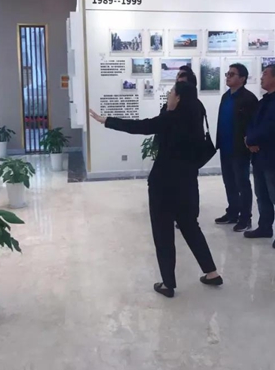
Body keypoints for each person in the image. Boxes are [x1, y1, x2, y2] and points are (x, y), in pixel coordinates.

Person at [89, 82, 222, 298]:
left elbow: (140, 126)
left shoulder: (170, 119)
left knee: (163, 232)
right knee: (190, 226)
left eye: (171, 93)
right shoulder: (196, 116)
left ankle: (168, 284)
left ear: (178, 98)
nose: (168, 96)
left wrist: (106, 120)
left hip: (164, 184)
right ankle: (212, 272)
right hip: (187, 183)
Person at [244, 64, 275, 249]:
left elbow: (274, 127)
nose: (261, 77)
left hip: (273, 156)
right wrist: (249, 140)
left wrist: (252, 139)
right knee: (262, 195)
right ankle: (264, 227)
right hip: (258, 155)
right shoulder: (264, 101)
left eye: (265, 74)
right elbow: (252, 123)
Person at [157, 66, 206, 231]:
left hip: (187, 155)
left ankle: (189, 216)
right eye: (177, 79)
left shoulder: (194, 107)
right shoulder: (171, 106)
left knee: (189, 186)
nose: (178, 83)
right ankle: (178, 213)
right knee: (176, 186)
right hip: (173, 154)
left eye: (182, 81)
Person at [215, 63, 258, 232]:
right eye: (227, 73)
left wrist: (250, 142)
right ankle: (232, 212)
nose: (228, 76)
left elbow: (253, 124)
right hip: (225, 147)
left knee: (242, 184)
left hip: (240, 149)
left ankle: (245, 218)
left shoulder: (249, 99)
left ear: (242, 78)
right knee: (229, 183)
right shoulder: (226, 97)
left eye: (232, 74)